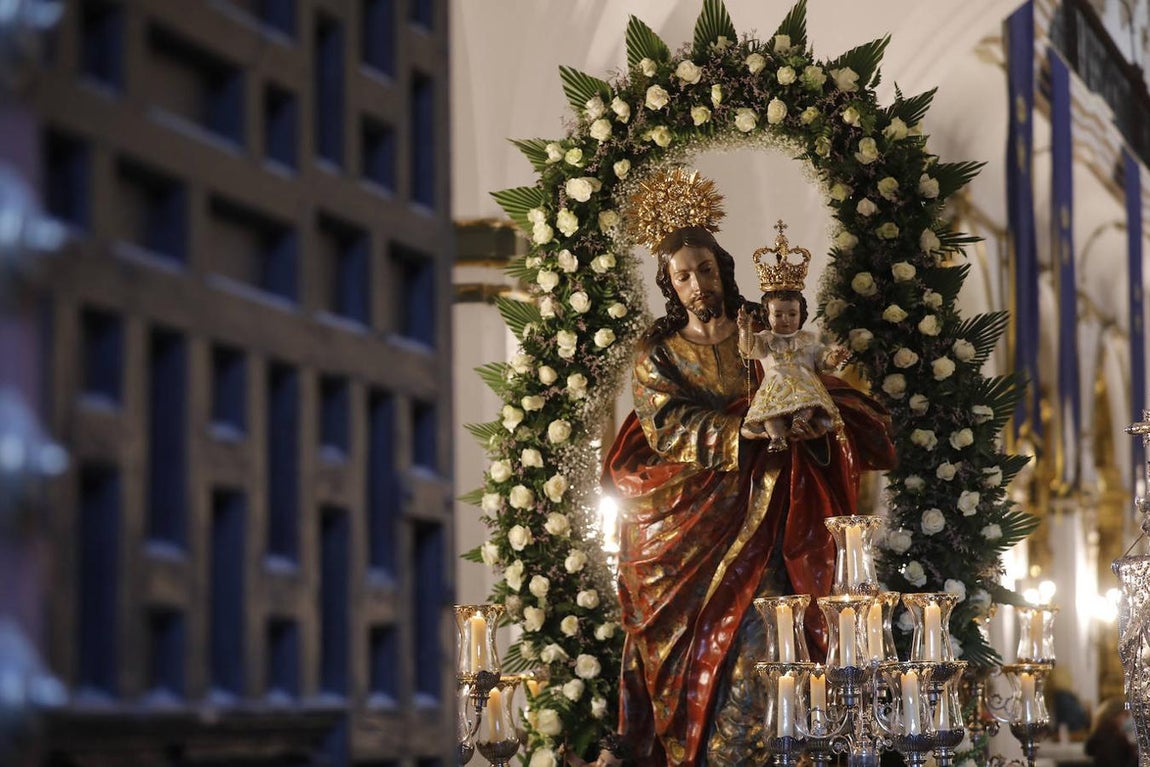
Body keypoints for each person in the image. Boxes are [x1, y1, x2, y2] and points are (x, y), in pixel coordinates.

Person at [602, 168, 897, 766]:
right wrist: (743, 429)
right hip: (689, 528)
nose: (698, 284)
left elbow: (811, 383)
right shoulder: (659, 353)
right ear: (669, 284)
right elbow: (666, 426)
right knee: (695, 662)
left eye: (705, 269)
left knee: (768, 654)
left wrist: (816, 423)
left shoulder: (765, 329)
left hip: (773, 524)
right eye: (683, 276)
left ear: (723, 268)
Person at [737, 222, 846, 450]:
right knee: (770, 414)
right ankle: (777, 438)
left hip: (804, 388)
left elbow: (821, 360)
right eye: (778, 314)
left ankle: (799, 422)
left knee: (807, 405)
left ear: (801, 314)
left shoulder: (807, 339)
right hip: (774, 389)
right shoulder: (766, 339)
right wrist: (745, 329)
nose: (785, 319)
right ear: (767, 315)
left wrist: (833, 358)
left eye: (792, 314)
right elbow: (748, 350)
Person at [1085, 697, 1138, 767]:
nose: (1126, 719)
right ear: (1114, 715)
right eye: (1125, 715)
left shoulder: (1102, 734)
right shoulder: (1110, 738)